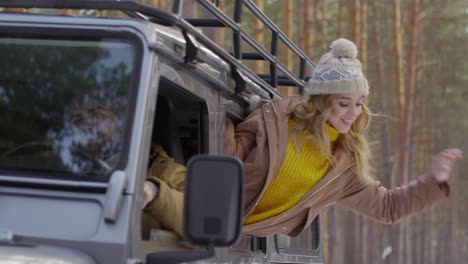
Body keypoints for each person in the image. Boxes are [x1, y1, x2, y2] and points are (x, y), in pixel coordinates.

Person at [224, 38, 463, 237]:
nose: (353, 113)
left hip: (229, 236)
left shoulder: (343, 168)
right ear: (321, 102)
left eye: (359, 104)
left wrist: (435, 180)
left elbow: (388, 207)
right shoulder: (274, 120)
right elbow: (226, 156)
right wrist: (218, 112)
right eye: (343, 103)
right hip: (208, 207)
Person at [66, 97, 186, 238]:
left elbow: (201, 214)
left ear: (123, 123)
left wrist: (154, 191)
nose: (87, 126)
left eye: (97, 116)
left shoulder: (168, 172)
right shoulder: (58, 168)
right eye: (78, 121)